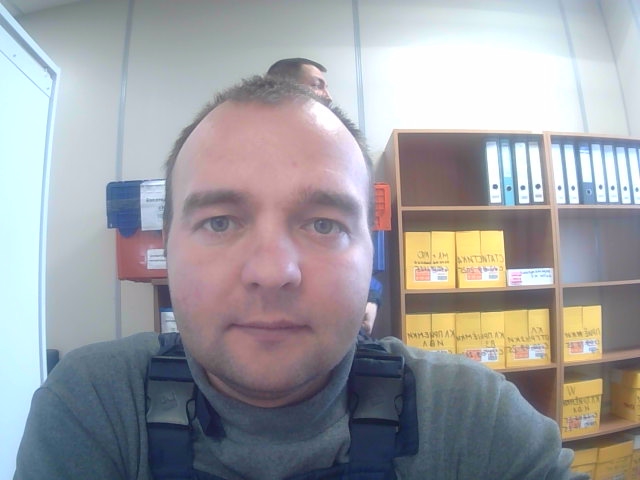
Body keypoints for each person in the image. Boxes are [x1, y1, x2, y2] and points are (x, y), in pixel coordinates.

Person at [14, 75, 586, 480]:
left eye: (323, 224)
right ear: (167, 246)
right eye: (219, 221)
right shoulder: (94, 405)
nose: (272, 272)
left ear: (371, 253)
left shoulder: (469, 415)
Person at [267, 57, 381, 336]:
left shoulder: (344, 150)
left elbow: (361, 231)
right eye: (317, 85)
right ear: (282, 87)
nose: (328, 96)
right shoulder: (242, 150)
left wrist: (371, 295)